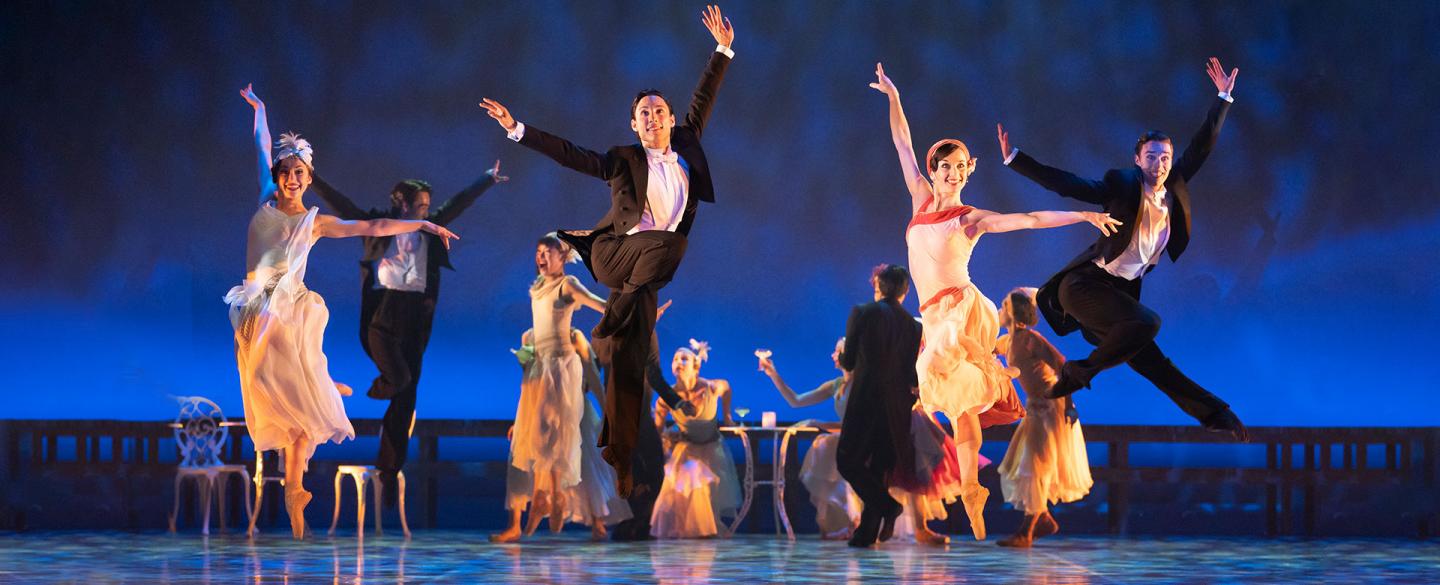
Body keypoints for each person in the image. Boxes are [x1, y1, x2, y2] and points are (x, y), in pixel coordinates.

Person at [478, 5, 735, 495]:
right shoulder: (622, 160)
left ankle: (620, 460)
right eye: (645, 113)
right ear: (634, 125)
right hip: (616, 256)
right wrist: (518, 129)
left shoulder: (686, 146)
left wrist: (722, 50)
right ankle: (615, 313)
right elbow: (573, 154)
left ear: (672, 120)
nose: (654, 117)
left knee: (631, 361)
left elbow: (705, 97)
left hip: (647, 273)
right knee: (672, 244)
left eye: (660, 111)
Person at [869, 63, 1121, 540]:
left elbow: (1027, 218)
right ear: (933, 171)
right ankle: (970, 490)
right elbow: (902, 142)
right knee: (955, 401)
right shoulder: (920, 200)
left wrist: (1083, 216)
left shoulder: (971, 218)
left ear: (968, 172)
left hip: (960, 309)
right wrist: (893, 97)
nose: (953, 174)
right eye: (946, 166)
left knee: (950, 388)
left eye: (961, 167)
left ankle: (969, 489)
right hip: (933, 315)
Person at [230, 85, 458, 539]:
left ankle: (295, 494)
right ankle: (317, 382)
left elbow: (372, 226)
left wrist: (424, 222)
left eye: (301, 173)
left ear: (310, 178)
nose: (293, 178)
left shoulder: (314, 223)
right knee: (270, 385)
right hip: (258, 306)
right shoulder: (264, 198)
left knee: (300, 430)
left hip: (288, 307)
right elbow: (260, 143)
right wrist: (260, 109)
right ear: (277, 175)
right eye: (287, 171)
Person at [996, 57, 1249, 442]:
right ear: (1137, 159)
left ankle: (1216, 414)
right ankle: (1078, 374)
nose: (1160, 164)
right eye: (1151, 157)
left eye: (1165, 157)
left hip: (1115, 297)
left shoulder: (1174, 186)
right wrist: (1017, 161)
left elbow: (1202, 146)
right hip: (1083, 287)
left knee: (1152, 361)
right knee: (1149, 323)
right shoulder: (1121, 185)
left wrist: (1223, 97)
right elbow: (1070, 184)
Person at [310, 160, 506, 502]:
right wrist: (314, 180)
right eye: (420, 206)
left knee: (407, 394)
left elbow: (457, 204)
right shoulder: (378, 224)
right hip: (383, 312)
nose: (426, 212)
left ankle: (389, 469)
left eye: (428, 208)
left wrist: (486, 179)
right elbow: (343, 207)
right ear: (402, 203)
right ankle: (382, 385)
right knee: (398, 379)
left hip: (416, 314)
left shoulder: (430, 227)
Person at [492, 234, 636, 543]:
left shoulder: (567, 284)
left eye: (548, 252)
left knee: (557, 434)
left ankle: (555, 497)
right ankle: (544, 500)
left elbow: (600, 306)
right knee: (537, 438)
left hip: (560, 367)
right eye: (538, 251)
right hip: (540, 368)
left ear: (562, 256)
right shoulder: (537, 289)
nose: (541, 257)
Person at [994, 288, 1092, 547]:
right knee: (1024, 464)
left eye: (1004, 306)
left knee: (1034, 465)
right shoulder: (1007, 341)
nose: (1000, 311)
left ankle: (1026, 532)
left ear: (1014, 312)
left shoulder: (1030, 339)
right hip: (1034, 408)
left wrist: (1070, 404)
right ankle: (1044, 518)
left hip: (1050, 407)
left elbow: (1063, 366)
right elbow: (985, 350)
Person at [834, 264, 922, 548]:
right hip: (897, 404)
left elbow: (848, 362)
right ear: (905, 291)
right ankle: (866, 534)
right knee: (879, 468)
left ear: (879, 287)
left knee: (847, 460)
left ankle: (888, 506)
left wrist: (845, 361)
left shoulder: (863, 312)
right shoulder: (913, 325)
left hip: (867, 398)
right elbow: (911, 372)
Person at [758, 340, 861, 540]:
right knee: (827, 448)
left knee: (827, 445)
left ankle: (854, 520)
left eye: (837, 351)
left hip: (861, 441)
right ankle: (842, 522)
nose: (833, 355)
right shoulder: (836, 384)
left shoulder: (862, 383)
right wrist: (774, 375)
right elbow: (796, 401)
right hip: (844, 441)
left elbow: (859, 424)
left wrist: (817, 422)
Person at [650, 343, 741, 539]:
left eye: (684, 359)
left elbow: (727, 387)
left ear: (696, 366)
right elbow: (657, 427)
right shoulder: (667, 397)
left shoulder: (711, 387)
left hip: (711, 448)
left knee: (706, 491)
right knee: (690, 478)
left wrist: (727, 416)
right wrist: (663, 443)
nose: (678, 362)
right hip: (687, 448)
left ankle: (705, 530)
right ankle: (695, 531)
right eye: (675, 359)